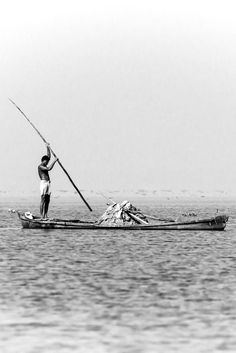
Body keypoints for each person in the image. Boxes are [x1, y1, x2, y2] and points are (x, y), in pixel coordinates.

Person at [38, 144, 58, 219]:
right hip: (43, 183)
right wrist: (55, 161)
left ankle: (45, 215)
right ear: (43, 160)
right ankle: (41, 216)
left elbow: (48, 156)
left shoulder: (45, 162)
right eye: (46, 161)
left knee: (47, 200)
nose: (47, 163)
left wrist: (47, 147)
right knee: (43, 199)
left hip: (48, 183)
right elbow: (49, 168)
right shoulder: (40, 166)